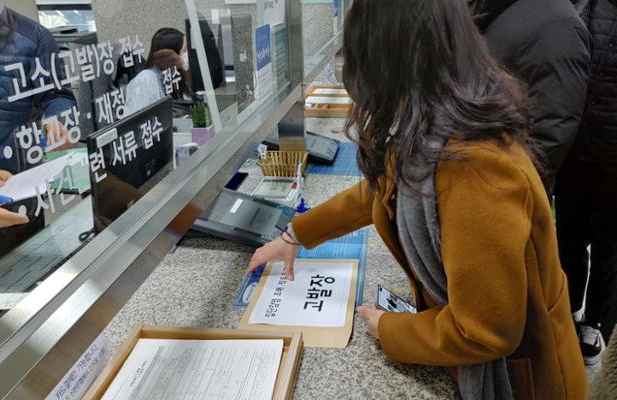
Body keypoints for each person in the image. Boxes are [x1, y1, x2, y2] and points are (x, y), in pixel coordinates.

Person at [248, 0, 586, 398]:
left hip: (519, 383)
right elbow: (379, 190)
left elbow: (485, 331)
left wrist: (391, 330)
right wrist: (295, 236)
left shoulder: (474, 168)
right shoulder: (439, 124)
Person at [0, 0, 77, 262]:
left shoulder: (33, 35)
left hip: (12, 178)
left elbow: (57, 93)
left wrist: (57, 119)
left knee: (26, 267)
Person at [469, 0, 591, 194]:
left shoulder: (557, 25)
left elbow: (551, 133)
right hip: (469, 182)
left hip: (502, 197)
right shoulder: (488, 9)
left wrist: (502, 193)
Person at [556, 0, 617, 366]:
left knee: (610, 246)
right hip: (575, 147)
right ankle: (568, 308)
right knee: (570, 236)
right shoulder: (580, 6)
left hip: (613, 157)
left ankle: (594, 320)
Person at [125, 27, 193, 115]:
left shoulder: (175, 77)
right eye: (184, 51)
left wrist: (186, 69)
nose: (186, 55)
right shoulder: (146, 79)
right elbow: (138, 119)